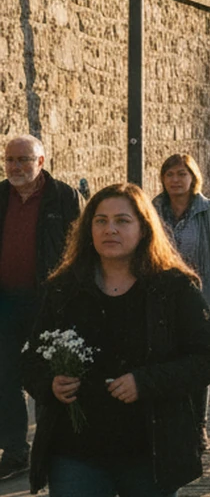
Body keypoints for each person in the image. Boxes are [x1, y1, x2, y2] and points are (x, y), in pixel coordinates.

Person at [21, 182, 210, 496]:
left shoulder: (173, 288)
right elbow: (31, 357)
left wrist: (146, 381)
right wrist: (50, 384)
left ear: (143, 229)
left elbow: (207, 358)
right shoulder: (63, 288)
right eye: (100, 221)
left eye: (122, 221)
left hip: (148, 449)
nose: (109, 229)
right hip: (75, 451)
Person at [0, 136, 81, 481]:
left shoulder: (63, 197)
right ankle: (16, 450)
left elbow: (80, 249)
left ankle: (53, 447)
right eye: (10, 160)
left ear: (41, 161)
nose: (16, 167)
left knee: (48, 377)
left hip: (48, 302)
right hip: (4, 302)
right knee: (4, 377)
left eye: (24, 160)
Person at [151, 152, 210, 447]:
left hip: (199, 299)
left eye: (181, 174)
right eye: (170, 174)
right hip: (160, 298)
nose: (175, 180)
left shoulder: (208, 209)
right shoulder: (153, 209)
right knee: (165, 361)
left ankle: (198, 424)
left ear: (192, 177)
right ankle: (169, 423)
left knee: (197, 362)